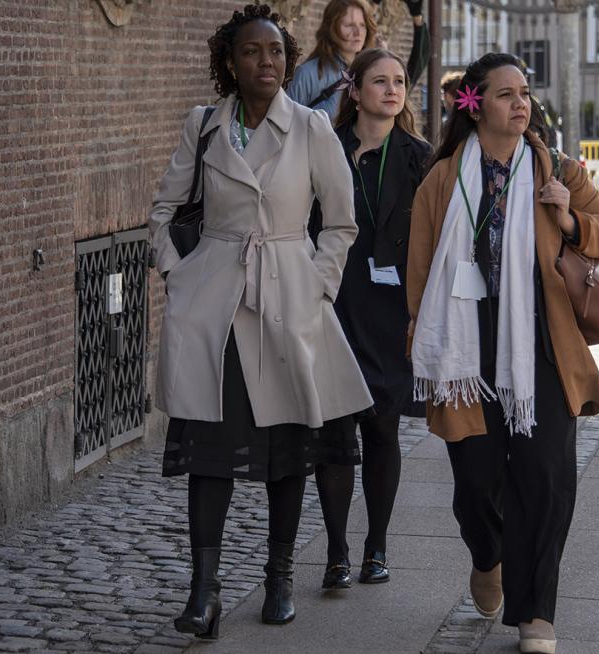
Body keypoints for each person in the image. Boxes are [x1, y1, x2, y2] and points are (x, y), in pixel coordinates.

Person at [148, 4, 373, 639]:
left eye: (275, 52)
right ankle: (205, 590)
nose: (266, 62)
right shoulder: (205, 126)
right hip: (214, 306)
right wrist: (178, 274)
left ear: (288, 61)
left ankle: (278, 577)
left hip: (288, 297)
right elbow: (164, 210)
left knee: (286, 448)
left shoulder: (311, 127)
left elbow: (340, 222)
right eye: (252, 51)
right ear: (230, 61)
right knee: (210, 452)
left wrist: (318, 286)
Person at [406, 53, 599, 654]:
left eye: (524, 92)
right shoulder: (444, 179)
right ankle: (488, 555)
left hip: (543, 345)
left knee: (546, 479)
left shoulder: (556, 169)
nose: (520, 103)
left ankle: (536, 614)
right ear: (475, 105)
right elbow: (419, 275)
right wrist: (418, 346)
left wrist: (570, 217)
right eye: (505, 94)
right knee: (476, 485)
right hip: (465, 347)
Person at [307, 48, 432, 590]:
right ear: (354, 91)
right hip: (334, 301)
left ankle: (376, 547)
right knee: (335, 433)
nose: (392, 90)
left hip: (392, 310)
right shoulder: (323, 148)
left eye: (399, 81)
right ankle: (335, 551)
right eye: (379, 81)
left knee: (383, 429)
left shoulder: (420, 157)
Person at [286, 0, 430, 123]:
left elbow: (416, 68)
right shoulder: (308, 74)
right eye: (349, 25)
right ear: (332, 28)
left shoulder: (373, 73)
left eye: (362, 25)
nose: (358, 32)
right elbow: (286, 126)